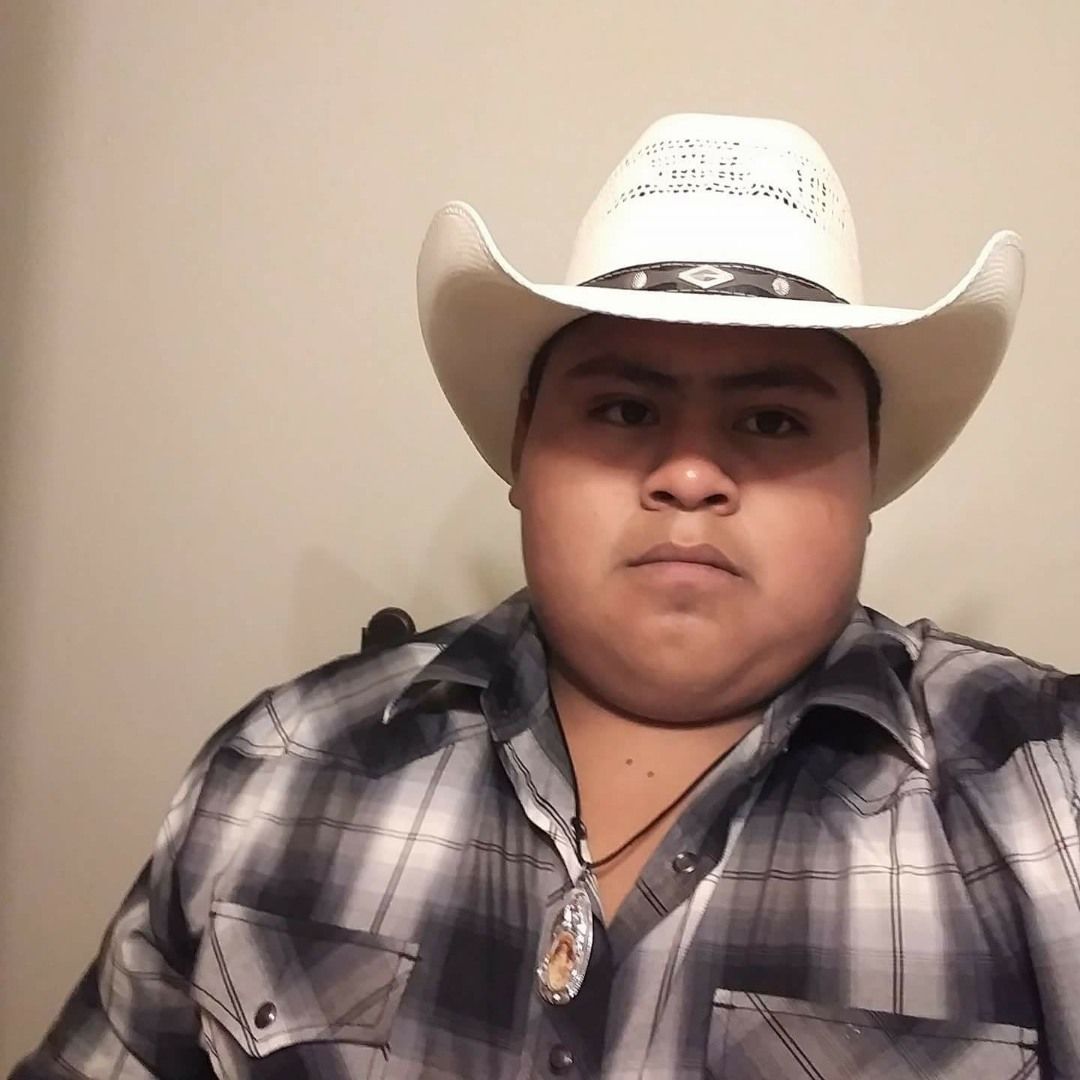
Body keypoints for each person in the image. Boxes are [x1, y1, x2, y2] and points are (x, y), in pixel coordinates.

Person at [12, 113, 1078, 1079]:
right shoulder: (279, 769)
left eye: (773, 421)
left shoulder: (1050, 805)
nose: (689, 474)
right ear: (522, 453)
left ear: (868, 484)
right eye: (622, 409)